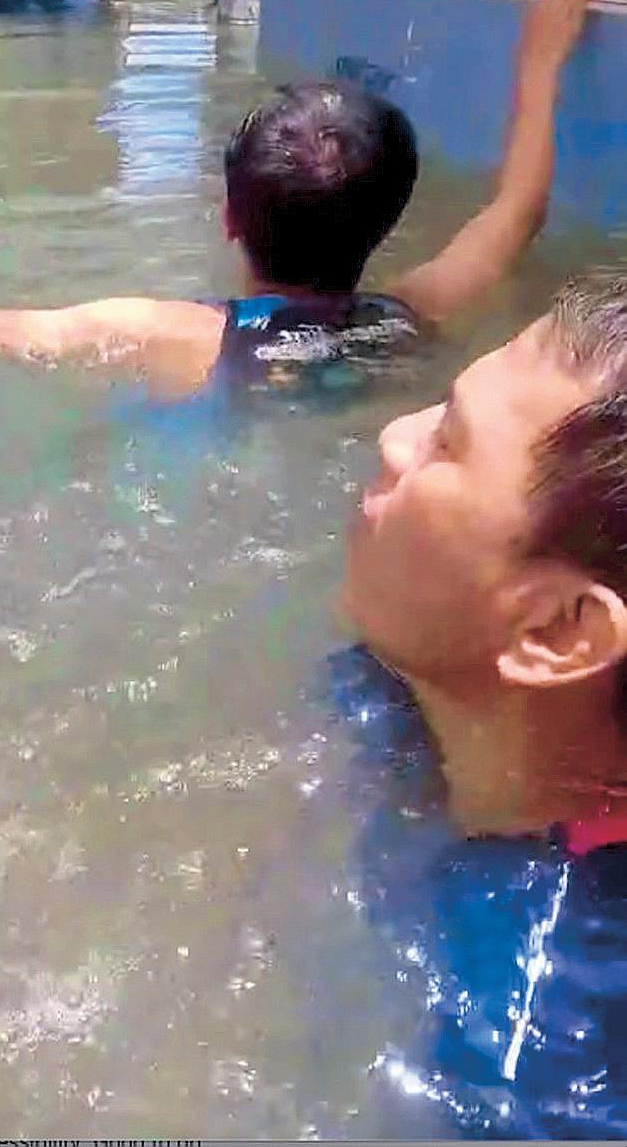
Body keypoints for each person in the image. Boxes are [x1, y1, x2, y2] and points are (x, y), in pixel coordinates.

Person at [0, 0, 592, 399]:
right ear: (390, 221)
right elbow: (516, 212)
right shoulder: (409, 315)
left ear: (228, 216)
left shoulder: (167, 331)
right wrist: (539, 64)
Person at [326, 272, 626, 1137]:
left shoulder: (543, 1047)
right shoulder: (389, 681)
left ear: (559, 631)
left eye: (446, 444)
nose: (391, 436)